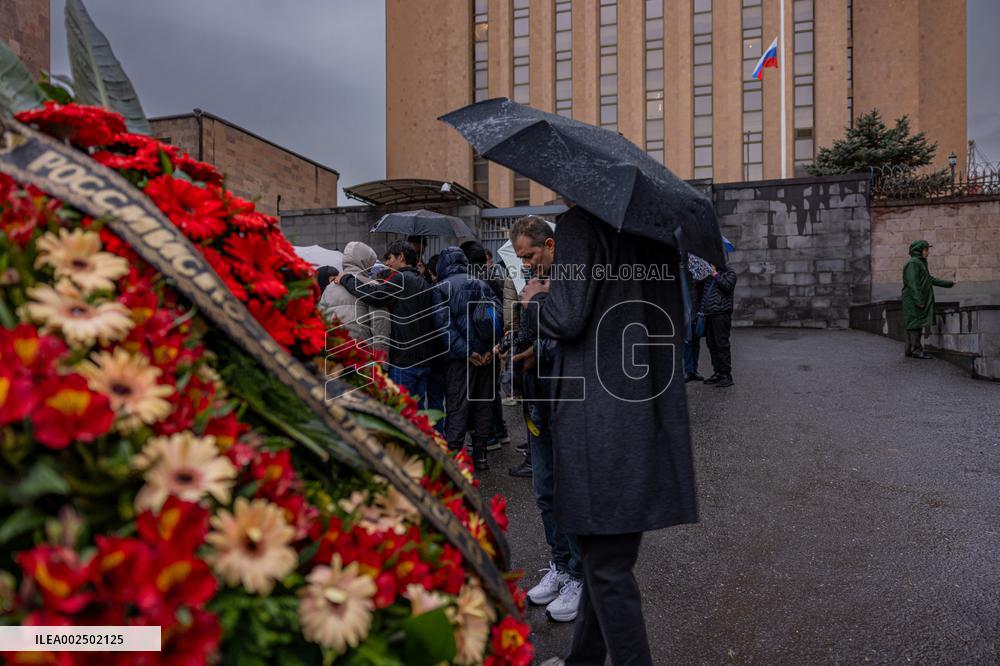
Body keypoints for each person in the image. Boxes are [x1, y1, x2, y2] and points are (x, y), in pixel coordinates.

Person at [524, 205, 697, 665]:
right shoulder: (656, 233)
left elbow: (567, 317)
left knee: (608, 570)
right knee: (607, 565)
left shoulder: (582, 224)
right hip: (644, 410)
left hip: (596, 420)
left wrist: (536, 298)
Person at [506, 215, 583, 623]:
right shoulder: (538, 283)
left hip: (566, 405)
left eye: (531, 254)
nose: (527, 264)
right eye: (521, 257)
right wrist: (524, 349)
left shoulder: (572, 281)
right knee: (545, 492)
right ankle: (561, 566)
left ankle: (579, 576)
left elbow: (574, 335)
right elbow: (545, 338)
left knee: (570, 495)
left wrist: (536, 303)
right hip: (538, 401)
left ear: (550, 245)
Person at [337, 240, 446, 408]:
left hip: (405, 361)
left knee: (402, 411)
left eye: (389, 258)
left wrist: (346, 279)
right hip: (424, 361)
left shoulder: (401, 278)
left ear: (401, 257)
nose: (387, 264)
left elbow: (373, 295)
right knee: (419, 413)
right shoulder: (422, 281)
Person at [431, 247, 502, 470]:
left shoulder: (441, 288)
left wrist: (467, 352)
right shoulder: (481, 283)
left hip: (461, 362)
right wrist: (491, 348)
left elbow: (444, 327)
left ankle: (454, 460)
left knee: (457, 406)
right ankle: (480, 457)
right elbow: (497, 317)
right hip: (488, 359)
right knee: (483, 405)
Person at [462, 240, 510, 453]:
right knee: (493, 392)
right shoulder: (494, 279)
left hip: (479, 347)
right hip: (494, 343)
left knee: (481, 395)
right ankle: (500, 432)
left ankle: (489, 436)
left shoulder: (472, 282)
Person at [318, 241, 390, 358]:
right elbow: (380, 327)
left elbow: (320, 322)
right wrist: (382, 359)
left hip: (334, 353)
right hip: (363, 354)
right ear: (368, 261)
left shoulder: (329, 289)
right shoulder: (372, 287)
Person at [901, 239, 955, 359]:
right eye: (926, 249)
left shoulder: (920, 263)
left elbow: (929, 280)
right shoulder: (913, 263)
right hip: (913, 299)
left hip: (916, 298)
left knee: (914, 323)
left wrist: (949, 284)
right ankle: (916, 350)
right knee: (915, 323)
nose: (928, 252)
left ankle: (910, 349)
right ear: (919, 250)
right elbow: (913, 283)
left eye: (927, 249)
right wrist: (918, 300)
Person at [701, 263, 737, 388]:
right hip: (708, 313)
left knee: (722, 345)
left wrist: (715, 274)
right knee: (711, 345)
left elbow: (727, 287)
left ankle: (727, 375)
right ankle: (717, 373)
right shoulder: (706, 275)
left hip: (721, 314)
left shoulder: (730, 273)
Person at [684, 271, 707, 382]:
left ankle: (694, 370)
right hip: (686, 316)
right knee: (687, 343)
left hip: (697, 315)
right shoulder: (683, 279)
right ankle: (689, 371)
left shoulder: (699, 280)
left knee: (695, 344)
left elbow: (702, 297)